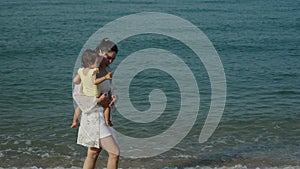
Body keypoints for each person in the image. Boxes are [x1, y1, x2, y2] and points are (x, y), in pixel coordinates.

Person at [73, 38, 119, 169]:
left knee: (93, 153)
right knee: (114, 153)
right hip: (93, 119)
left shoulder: (107, 70)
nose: (110, 61)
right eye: (108, 57)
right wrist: (96, 101)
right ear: (100, 52)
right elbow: (77, 95)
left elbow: (111, 89)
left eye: (113, 59)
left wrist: (114, 97)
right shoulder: (88, 71)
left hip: (103, 116)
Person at [71, 49, 113, 128]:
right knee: (107, 106)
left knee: (79, 107)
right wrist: (105, 77)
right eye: (96, 62)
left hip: (86, 94)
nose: (98, 64)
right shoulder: (94, 71)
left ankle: (74, 121)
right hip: (95, 94)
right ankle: (107, 121)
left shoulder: (81, 71)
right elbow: (95, 82)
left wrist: (83, 79)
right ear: (90, 63)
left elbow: (75, 81)